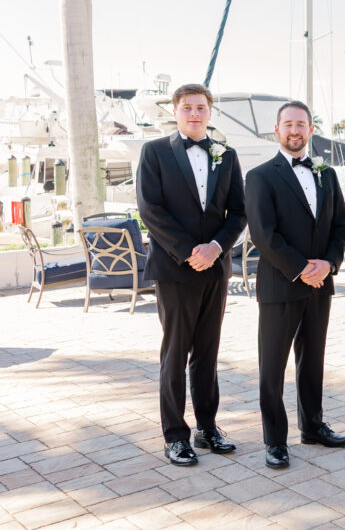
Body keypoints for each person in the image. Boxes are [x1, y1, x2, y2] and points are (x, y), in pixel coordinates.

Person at [136, 83, 246, 466]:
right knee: (175, 353)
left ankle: (207, 428)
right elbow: (150, 209)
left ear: (210, 112)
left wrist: (216, 247)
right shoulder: (154, 152)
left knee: (207, 352)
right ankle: (175, 436)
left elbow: (239, 212)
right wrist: (188, 252)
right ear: (175, 111)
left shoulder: (226, 155)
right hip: (174, 269)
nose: (195, 113)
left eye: (201, 107)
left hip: (215, 269)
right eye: (187, 107)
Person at [245, 101, 345, 469]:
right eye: (288, 124)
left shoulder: (327, 174)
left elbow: (340, 226)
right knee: (272, 367)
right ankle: (275, 440)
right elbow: (263, 234)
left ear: (310, 130)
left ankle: (313, 426)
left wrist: (329, 264)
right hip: (280, 284)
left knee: (313, 360)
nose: (295, 130)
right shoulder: (260, 176)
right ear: (277, 130)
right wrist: (301, 268)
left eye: (301, 124)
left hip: (320, 284)